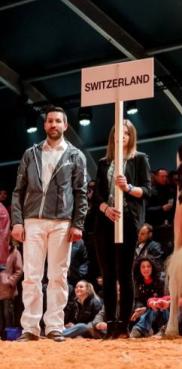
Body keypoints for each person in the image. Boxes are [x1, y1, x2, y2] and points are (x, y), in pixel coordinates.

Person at [10, 106, 88, 342]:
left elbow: (81, 193)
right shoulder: (30, 153)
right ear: (44, 125)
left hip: (62, 222)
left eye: (58, 121)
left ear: (65, 126)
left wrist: (78, 224)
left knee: (58, 276)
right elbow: (18, 191)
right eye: (49, 121)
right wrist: (17, 222)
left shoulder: (76, 156)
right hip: (32, 220)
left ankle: (55, 325)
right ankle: (30, 328)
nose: (53, 125)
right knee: (31, 276)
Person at [93, 119, 152, 338]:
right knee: (107, 275)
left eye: (126, 133)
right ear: (112, 136)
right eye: (118, 132)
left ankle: (124, 326)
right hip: (105, 222)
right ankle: (110, 323)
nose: (122, 136)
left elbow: (148, 190)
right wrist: (105, 208)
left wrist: (128, 188)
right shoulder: (103, 162)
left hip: (128, 220)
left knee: (125, 274)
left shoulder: (139, 159)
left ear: (131, 136)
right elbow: (96, 193)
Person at [129, 257, 168, 338]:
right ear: (139, 269)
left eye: (148, 266)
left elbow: (166, 299)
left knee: (155, 308)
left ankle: (140, 329)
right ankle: (145, 330)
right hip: (147, 312)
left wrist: (149, 306)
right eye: (143, 267)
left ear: (152, 268)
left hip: (162, 311)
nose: (146, 269)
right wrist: (140, 309)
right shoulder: (137, 283)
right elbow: (138, 301)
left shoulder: (160, 281)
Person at [0, 240, 22, 339]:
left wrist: (10, 281)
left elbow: (19, 270)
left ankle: (8, 336)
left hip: (7, 289)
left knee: (7, 313)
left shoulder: (15, 252)